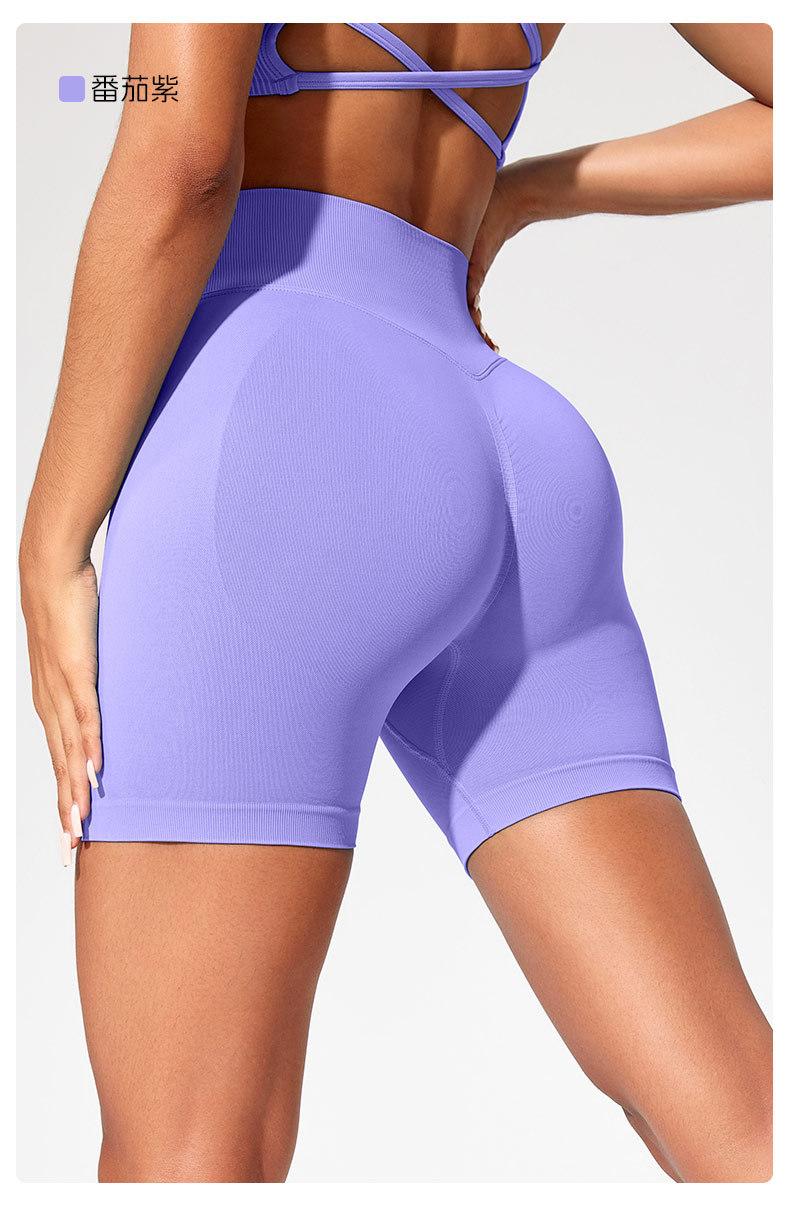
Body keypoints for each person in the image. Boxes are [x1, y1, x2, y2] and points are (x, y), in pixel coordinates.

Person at [19, 24, 772, 1183]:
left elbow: (187, 158)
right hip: (516, 450)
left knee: (189, 1151)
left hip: (277, 428)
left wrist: (52, 539)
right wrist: (528, 191)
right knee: (745, 1121)